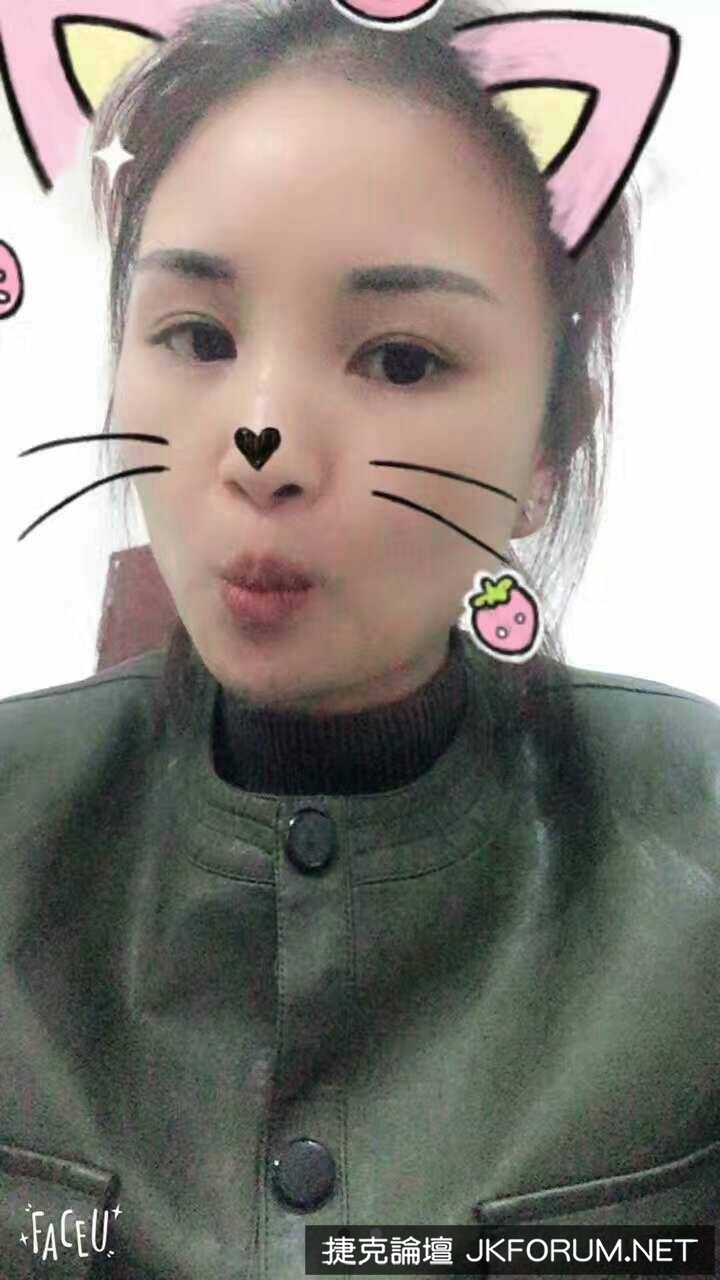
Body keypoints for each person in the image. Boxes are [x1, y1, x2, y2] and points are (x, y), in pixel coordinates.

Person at [1, 0, 718, 1276]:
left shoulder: (693, 851)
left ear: (549, 446)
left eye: (398, 360)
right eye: (198, 336)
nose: (261, 444)